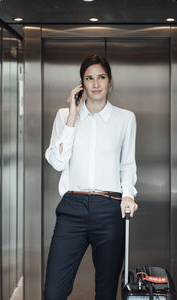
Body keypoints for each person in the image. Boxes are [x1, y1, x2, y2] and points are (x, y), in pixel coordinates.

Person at [43, 54, 138, 300]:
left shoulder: (125, 118)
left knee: (106, 292)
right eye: (89, 78)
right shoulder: (64, 116)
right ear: (81, 84)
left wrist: (128, 195)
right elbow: (57, 162)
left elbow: (127, 164)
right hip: (72, 208)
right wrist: (72, 119)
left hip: (110, 208)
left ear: (109, 81)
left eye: (101, 77)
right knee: (53, 292)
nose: (96, 84)